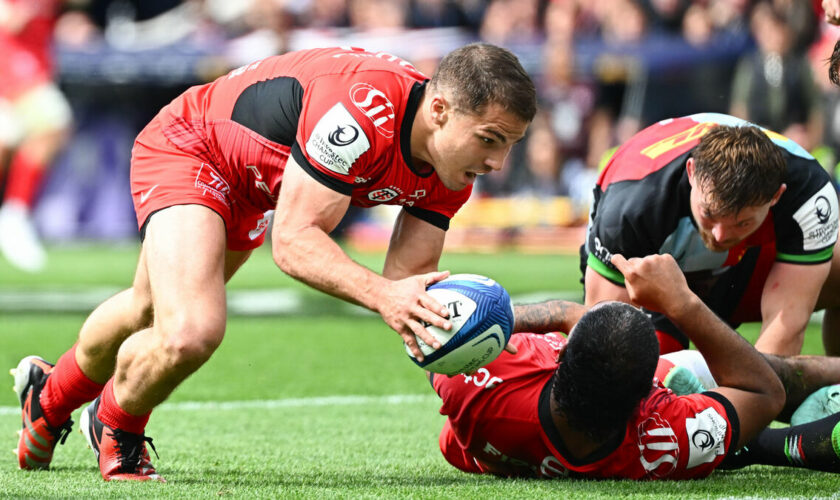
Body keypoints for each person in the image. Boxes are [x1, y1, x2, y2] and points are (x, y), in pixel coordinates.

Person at [10, 43, 537, 481]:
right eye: (489, 140)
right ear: (441, 110)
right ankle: (115, 425)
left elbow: (408, 286)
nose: (496, 163)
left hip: (255, 186)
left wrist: (477, 343)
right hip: (192, 146)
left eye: (509, 145)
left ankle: (48, 398)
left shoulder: (452, 170)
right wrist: (384, 297)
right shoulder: (362, 109)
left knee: (149, 310)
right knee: (190, 330)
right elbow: (294, 243)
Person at [432, 253, 840, 479]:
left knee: (723, 440)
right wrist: (683, 303)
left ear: (560, 356)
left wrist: (505, 321)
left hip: (501, 437)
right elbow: (767, 391)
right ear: (651, 393)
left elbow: (440, 330)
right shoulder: (661, 430)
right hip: (674, 390)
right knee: (773, 373)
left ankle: (747, 442)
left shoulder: (473, 391)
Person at [581, 113, 840, 356]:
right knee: (640, 360)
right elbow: (603, 346)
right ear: (692, 173)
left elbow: (785, 331)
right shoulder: (631, 207)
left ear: (776, 196)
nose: (720, 235)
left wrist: (746, 399)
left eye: (742, 223)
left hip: (740, 267)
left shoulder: (809, 195)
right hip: (647, 271)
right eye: (709, 214)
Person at [0, 0, 73, 272]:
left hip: (35, 64)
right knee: (53, 123)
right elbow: (11, 20)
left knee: (8, 142)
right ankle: (14, 216)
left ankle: (15, 216)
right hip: (14, 66)